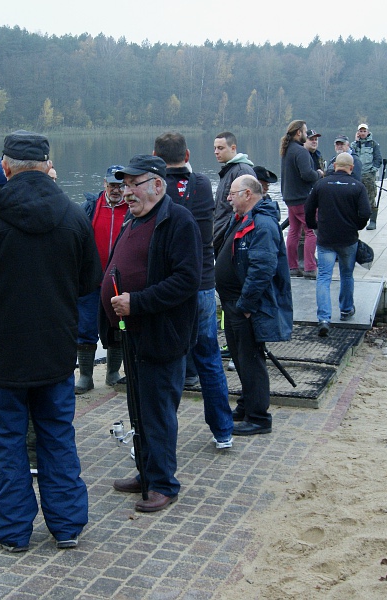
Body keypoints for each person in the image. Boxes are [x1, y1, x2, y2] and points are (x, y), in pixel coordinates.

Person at [0, 130, 101, 552]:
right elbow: (89, 281)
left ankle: (11, 531)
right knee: (57, 436)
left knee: (7, 442)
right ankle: (67, 527)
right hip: (55, 350)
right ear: (47, 165)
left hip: (1, 352)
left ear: (5, 168)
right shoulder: (73, 215)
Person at [101, 155, 201, 513]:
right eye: (124, 185)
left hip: (161, 334)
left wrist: (138, 303)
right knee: (139, 409)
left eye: (134, 184)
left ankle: (163, 484)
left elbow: (187, 280)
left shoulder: (178, 221)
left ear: (157, 184)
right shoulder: (136, 219)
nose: (126, 192)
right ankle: (145, 473)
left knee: (158, 412)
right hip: (133, 335)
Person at [154, 132, 234, 450]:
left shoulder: (157, 192)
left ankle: (159, 435)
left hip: (172, 287)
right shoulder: (202, 184)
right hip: (203, 284)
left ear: (155, 158)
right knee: (210, 359)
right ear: (187, 155)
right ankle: (223, 431)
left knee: (168, 364)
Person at [215, 175, 292, 436]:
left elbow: (263, 268)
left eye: (232, 193)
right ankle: (247, 405)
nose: (228, 197)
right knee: (240, 357)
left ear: (248, 194)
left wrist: (246, 305)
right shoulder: (242, 219)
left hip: (245, 306)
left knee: (251, 360)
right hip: (234, 303)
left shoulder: (263, 224)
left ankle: (259, 417)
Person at [75, 165, 129, 394]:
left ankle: (113, 373)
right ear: (104, 184)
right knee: (85, 327)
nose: (116, 189)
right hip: (90, 280)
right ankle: (85, 376)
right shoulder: (89, 207)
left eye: (120, 185)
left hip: (118, 281)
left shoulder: (133, 208)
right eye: (112, 185)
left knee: (116, 326)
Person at [305, 153, 371, 336]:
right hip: (348, 239)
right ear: (351, 168)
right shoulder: (357, 187)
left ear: (334, 166)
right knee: (347, 274)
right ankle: (346, 310)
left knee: (324, 277)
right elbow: (366, 212)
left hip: (326, 239)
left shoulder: (321, 185)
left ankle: (324, 318)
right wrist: (357, 226)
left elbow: (308, 209)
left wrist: (313, 226)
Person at [280, 120, 322, 279]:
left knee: (294, 231)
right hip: (302, 199)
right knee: (311, 231)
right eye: (305, 132)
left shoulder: (287, 150)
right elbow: (307, 174)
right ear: (298, 133)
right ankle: (310, 268)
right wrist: (319, 174)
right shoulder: (300, 151)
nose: (306, 135)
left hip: (290, 198)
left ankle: (292, 267)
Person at [211, 131, 255, 249]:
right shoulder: (229, 170)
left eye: (220, 148)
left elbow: (248, 207)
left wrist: (231, 233)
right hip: (221, 233)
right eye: (215, 148)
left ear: (233, 148)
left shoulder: (241, 171)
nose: (216, 152)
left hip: (231, 235)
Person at [351, 124, 383, 230]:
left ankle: (373, 221)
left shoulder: (373, 144)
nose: (362, 133)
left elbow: (378, 158)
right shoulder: (354, 144)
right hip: (357, 175)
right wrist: (356, 141)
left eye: (364, 131)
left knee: (371, 197)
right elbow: (350, 154)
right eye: (361, 131)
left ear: (368, 132)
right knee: (355, 198)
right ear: (358, 132)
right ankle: (357, 219)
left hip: (369, 175)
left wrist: (373, 170)